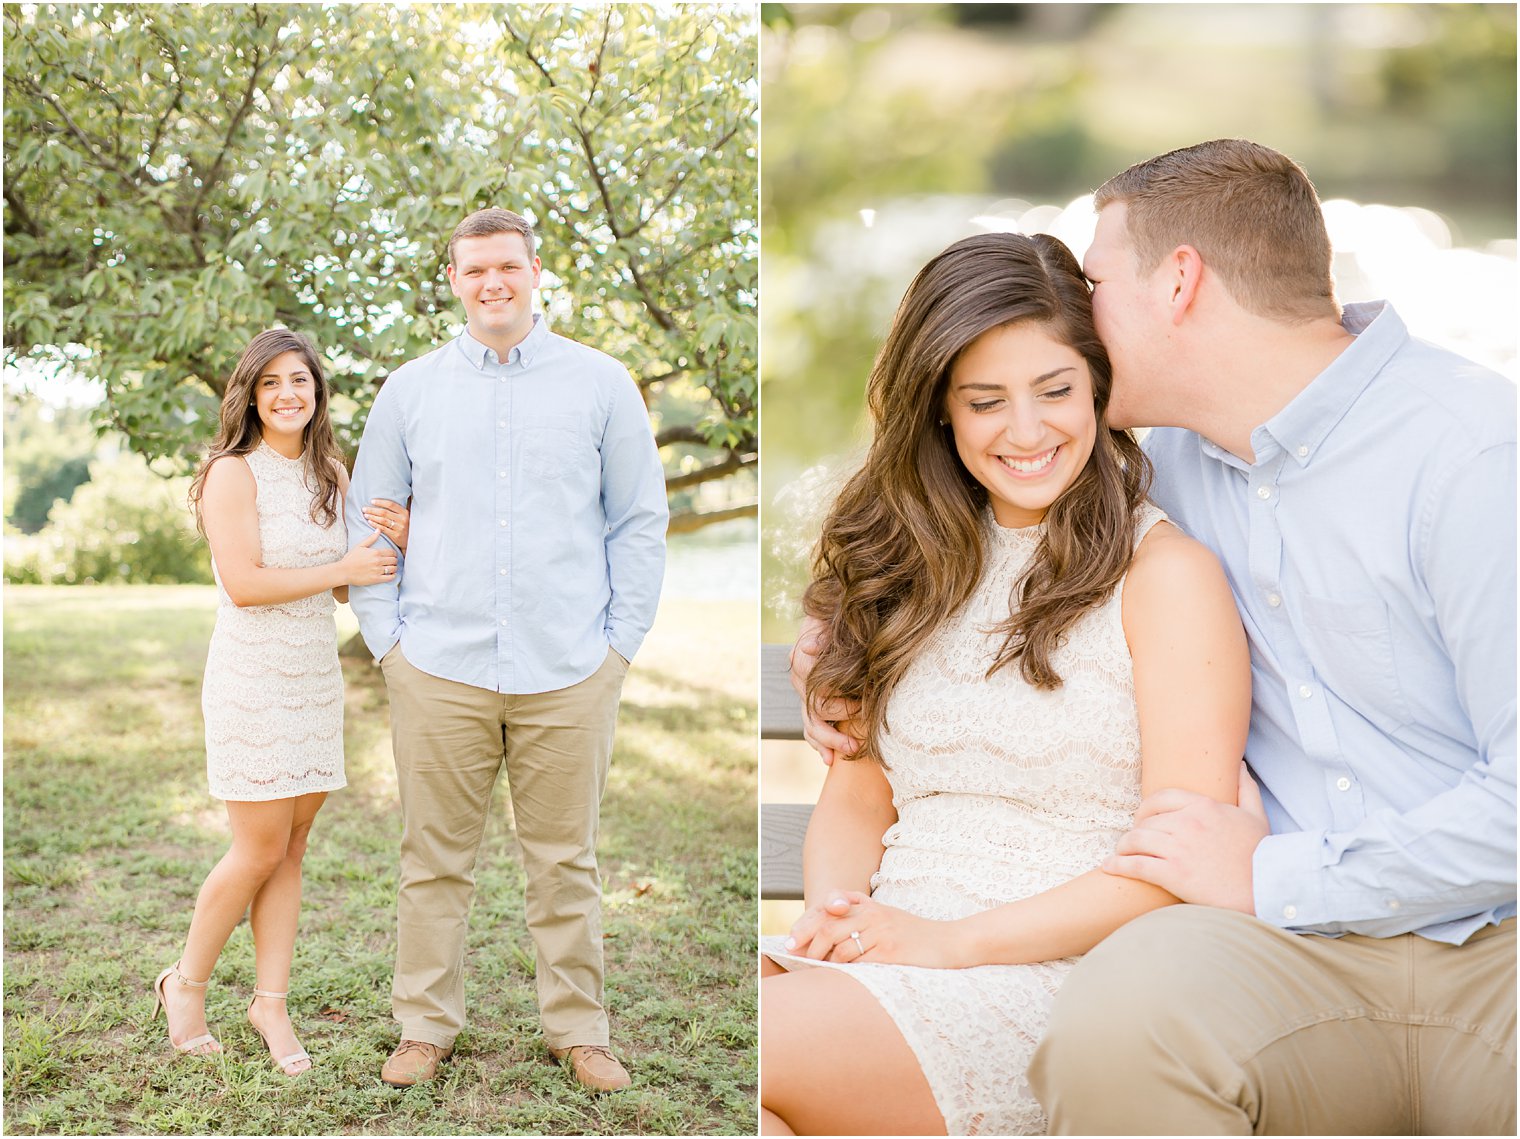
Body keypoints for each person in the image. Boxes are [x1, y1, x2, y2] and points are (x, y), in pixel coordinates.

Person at [799, 140, 1518, 1134]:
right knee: (1120, 1023)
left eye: (1093, 280)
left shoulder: (1474, 451)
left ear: (1176, 282)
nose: (1078, 322)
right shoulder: (1172, 454)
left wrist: (1273, 873)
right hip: (1280, 947)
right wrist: (836, 622)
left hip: (1488, 939)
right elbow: (975, 493)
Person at [760, 231, 1253, 1135]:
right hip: (893, 953)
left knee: (750, 1053)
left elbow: (1175, 865)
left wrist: (948, 946)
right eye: (985, 401)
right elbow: (860, 792)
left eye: (1056, 390)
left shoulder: (1164, 576)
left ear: (1101, 389)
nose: (1026, 432)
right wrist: (841, 921)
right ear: (939, 410)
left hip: (1055, 981)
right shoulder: (908, 567)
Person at [346, 207, 668, 1092]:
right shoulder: (409, 391)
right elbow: (370, 518)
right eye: (474, 269)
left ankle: (578, 1029)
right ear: (452, 279)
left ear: (535, 271)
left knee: (566, 862)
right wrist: (389, 642)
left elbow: (638, 521)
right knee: (432, 860)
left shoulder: (601, 384)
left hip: (569, 666)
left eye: (508, 267)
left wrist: (619, 648)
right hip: (437, 664)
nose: (493, 282)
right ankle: (423, 1025)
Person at [157, 328, 400, 1075]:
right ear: (251, 395)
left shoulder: (331, 470)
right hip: (252, 677)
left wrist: (398, 537)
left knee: (293, 848)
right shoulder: (232, 472)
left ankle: (271, 1001)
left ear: (317, 392)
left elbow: (348, 578)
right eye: (271, 383)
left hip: (313, 676)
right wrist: (344, 563)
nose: (288, 393)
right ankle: (185, 984)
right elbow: (245, 582)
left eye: (300, 380)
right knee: (257, 846)